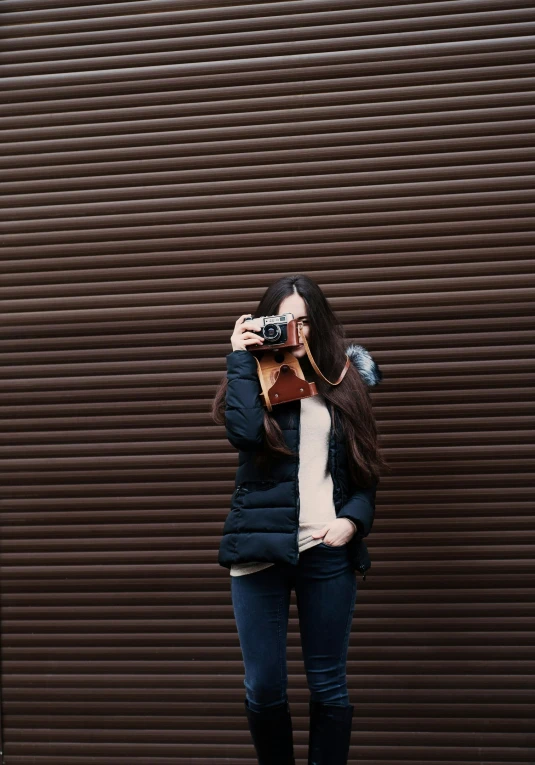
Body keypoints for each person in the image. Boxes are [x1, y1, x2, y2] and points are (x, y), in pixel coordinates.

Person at [211, 274, 388, 764]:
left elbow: (366, 469)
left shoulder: (343, 381)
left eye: (307, 321)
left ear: (321, 324)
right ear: (267, 322)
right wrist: (240, 356)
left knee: (328, 683)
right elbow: (246, 436)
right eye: (285, 320)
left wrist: (351, 522)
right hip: (259, 549)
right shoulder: (255, 377)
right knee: (264, 684)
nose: (297, 331)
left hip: (326, 549)